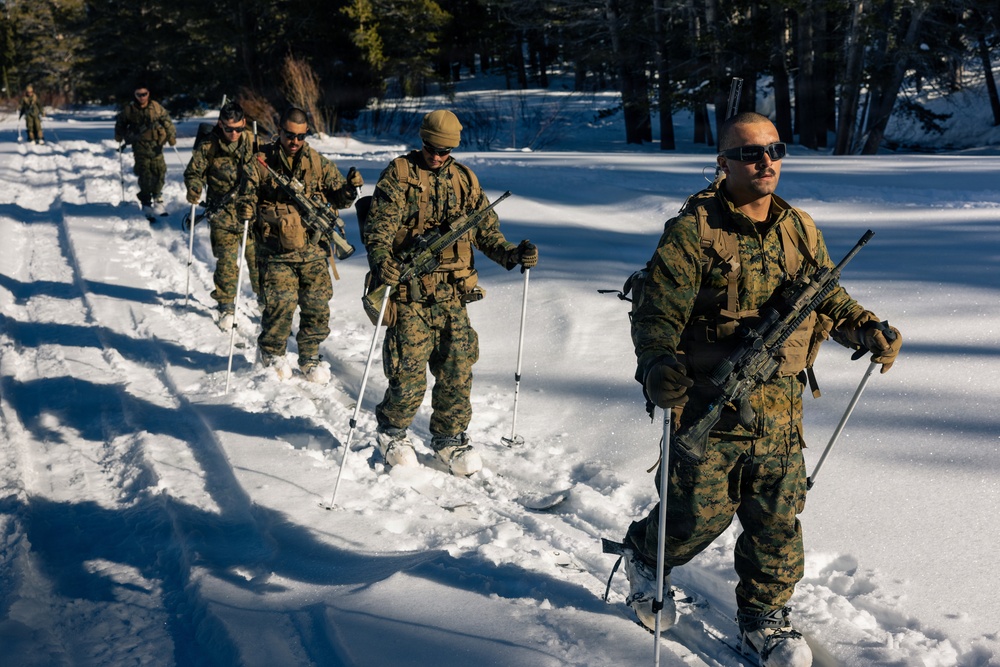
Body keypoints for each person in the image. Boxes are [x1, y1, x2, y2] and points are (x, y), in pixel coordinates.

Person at [617, 112, 902, 667]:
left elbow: (827, 297)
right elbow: (656, 315)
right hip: (708, 403)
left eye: (775, 149)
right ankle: (647, 557)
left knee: (776, 518)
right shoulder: (693, 231)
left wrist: (867, 328)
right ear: (722, 163)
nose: (765, 161)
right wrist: (656, 367)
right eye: (749, 153)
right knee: (696, 518)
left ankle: (763, 621)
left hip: (780, 404)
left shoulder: (799, 226)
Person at [362, 110, 538, 477]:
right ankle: (392, 432)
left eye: (445, 151)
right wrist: (383, 262)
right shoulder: (399, 174)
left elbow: (486, 232)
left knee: (458, 367)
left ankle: (449, 438)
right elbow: (378, 229)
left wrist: (512, 254)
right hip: (410, 292)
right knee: (408, 371)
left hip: (453, 294)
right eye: (431, 148)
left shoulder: (464, 180)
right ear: (422, 141)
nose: (438, 156)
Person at [238, 107, 363, 382]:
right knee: (280, 304)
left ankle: (310, 357)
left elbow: (339, 199)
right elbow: (244, 195)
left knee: (317, 306)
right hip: (275, 251)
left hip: (313, 250)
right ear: (279, 131)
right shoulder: (261, 162)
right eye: (289, 135)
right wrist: (246, 208)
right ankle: (272, 353)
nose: (294, 142)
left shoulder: (317, 162)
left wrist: (349, 190)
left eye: (301, 136)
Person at [183, 101, 261, 330]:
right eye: (228, 129)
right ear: (220, 124)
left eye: (238, 128)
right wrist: (194, 188)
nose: (234, 133)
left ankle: (265, 303)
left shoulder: (255, 144)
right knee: (227, 263)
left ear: (244, 124)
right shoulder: (208, 147)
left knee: (258, 262)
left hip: (252, 215)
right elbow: (193, 173)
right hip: (222, 216)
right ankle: (226, 306)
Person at [114, 87, 176, 220]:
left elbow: (166, 121)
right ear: (135, 95)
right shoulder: (129, 110)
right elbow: (120, 123)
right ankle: (146, 202)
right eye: (139, 94)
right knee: (145, 172)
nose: (142, 97)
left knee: (159, 171)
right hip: (140, 145)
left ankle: (158, 198)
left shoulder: (156, 107)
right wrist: (119, 135)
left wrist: (171, 136)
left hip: (156, 145)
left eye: (144, 94)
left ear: (148, 94)